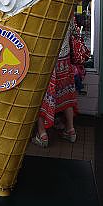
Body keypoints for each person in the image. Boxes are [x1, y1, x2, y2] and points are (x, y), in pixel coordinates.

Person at [33, 16, 78, 147]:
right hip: (64, 59)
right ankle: (70, 130)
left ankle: (42, 134)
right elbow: (75, 32)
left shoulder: (41, 11)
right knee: (66, 95)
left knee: (40, 97)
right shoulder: (68, 13)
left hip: (45, 60)